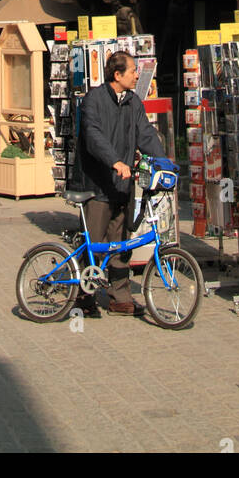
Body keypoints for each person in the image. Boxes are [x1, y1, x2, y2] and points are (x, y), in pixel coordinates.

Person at [75, 50, 164, 318]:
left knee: (121, 244)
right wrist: (114, 161)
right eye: (133, 70)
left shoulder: (133, 102)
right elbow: (93, 135)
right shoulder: (94, 100)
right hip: (98, 186)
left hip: (123, 186)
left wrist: (163, 161)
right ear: (117, 74)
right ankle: (84, 297)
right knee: (92, 243)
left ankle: (120, 296)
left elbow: (145, 133)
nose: (138, 75)